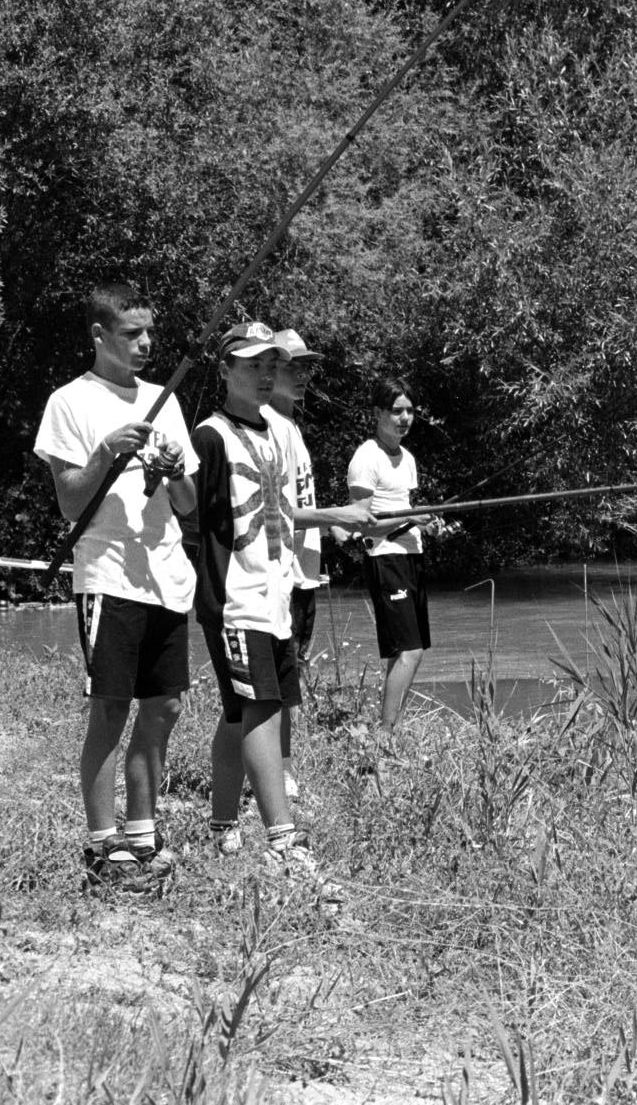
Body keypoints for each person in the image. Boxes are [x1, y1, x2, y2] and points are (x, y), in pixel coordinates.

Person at [34, 281, 197, 894]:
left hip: (167, 575)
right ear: (100, 336)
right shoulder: (68, 402)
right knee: (111, 705)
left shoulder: (166, 401)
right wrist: (106, 452)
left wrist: (175, 473)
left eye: (150, 332)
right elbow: (70, 502)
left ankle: (143, 830)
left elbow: (186, 506)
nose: (146, 344)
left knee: (167, 705)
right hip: (108, 574)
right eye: (133, 334)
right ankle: (102, 845)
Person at [193, 321, 368, 870]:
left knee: (238, 714)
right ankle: (282, 843)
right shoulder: (210, 436)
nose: (266, 374)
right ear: (224, 371)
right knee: (261, 707)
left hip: (275, 593)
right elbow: (191, 519)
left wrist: (340, 521)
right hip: (234, 599)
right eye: (252, 365)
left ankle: (223, 824)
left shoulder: (275, 432)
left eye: (272, 364)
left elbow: (284, 512)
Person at [263, 329, 373, 798]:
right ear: (269, 370)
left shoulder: (291, 426)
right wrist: (336, 514)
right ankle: (275, 774)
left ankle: (282, 769)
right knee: (276, 682)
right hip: (280, 574)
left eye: (308, 366)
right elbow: (273, 509)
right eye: (294, 365)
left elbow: (299, 506)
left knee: (293, 674)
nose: (304, 374)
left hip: (305, 570)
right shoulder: (268, 424)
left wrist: (335, 527)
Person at [347, 377, 433, 744]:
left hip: (411, 555)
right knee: (409, 651)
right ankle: (386, 737)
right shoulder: (366, 457)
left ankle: (387, 731)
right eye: (397, 411)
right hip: (385, 558)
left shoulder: (408, 458)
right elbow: (360, 522)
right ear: (378, 413)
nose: (404, 418)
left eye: (410, 411)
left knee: (406, 651)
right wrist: (409, 517)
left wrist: (422, 519)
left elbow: (405, 508)